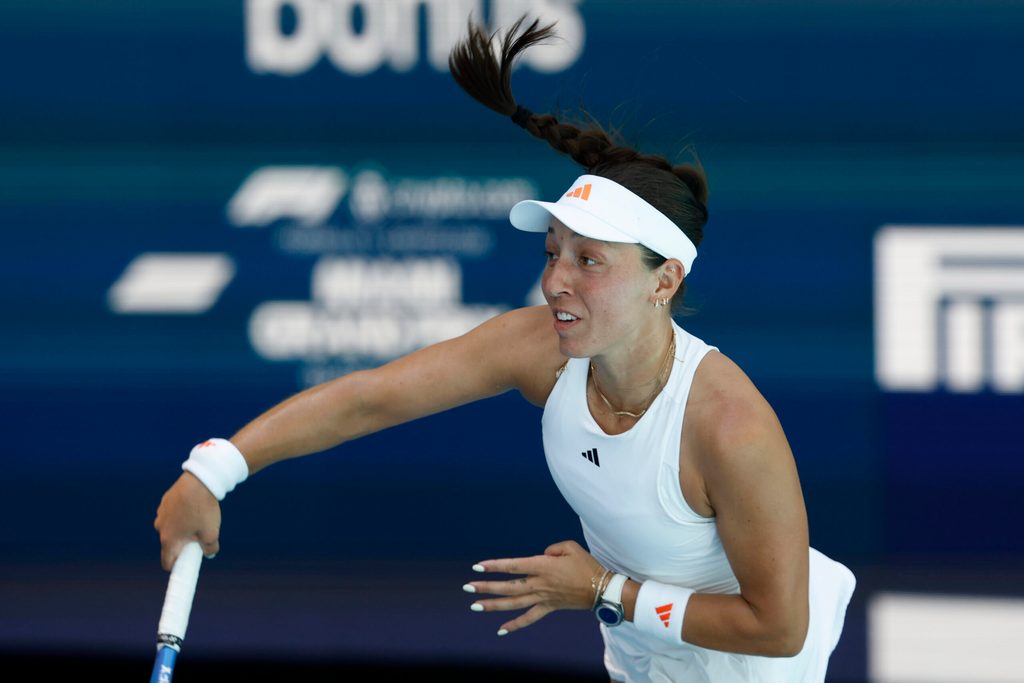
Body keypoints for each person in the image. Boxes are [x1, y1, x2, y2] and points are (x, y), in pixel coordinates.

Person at [155, 16, 855, 683]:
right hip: (636, 646)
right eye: (553, 252)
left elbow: (779, 626)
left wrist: (601, 589)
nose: (555, 281)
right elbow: (372, 398)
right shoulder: (541, 348)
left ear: (664, 280)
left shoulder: (729, 426)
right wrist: (215, 470)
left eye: (589, 260)